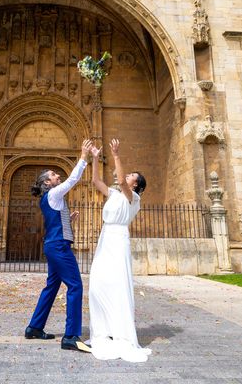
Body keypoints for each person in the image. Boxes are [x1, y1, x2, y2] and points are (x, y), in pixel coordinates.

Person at [25, 139, 93, 353]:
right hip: (58, 247)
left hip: (53, 245)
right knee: (75, 285)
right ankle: (71, 336)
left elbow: (53, 221)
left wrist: (68, 219)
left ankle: (34, 327)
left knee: (52, 286)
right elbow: (73, 180)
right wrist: (83, 156)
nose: (58, 177)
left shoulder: (50, 199)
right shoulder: (54, 193)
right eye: (54, 175)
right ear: (47, 183)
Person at [88, 138, 151, 362]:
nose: (126, 176)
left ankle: (120, 332)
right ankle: (103, 329)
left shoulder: (133, 198)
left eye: (132, 175)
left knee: (117, 283)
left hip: (118, 239)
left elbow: (122, 182)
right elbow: (96, 181)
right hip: (105, 237)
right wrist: (95, 158)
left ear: (136, 184)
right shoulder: (115, 195)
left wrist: (115, 154)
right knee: (98, 282)